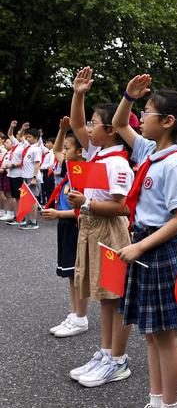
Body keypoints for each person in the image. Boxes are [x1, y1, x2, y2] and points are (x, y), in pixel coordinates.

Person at [113, 73, 177, 408]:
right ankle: (156, 399)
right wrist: (129, 97)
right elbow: (121, 123)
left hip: (158, 247)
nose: (141, 118)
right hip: (146, 243)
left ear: (167, 121)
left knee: (165, 335)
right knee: (151, 332)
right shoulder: (151, 150)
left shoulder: (174, 162)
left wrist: (139, 246)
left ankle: (171, 404)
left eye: (147, 112)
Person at [67, 67, 135, 388]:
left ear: (111, 129)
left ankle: (118, 360)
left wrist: (86, 203)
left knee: (115, 298)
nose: (89, 128)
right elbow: (77, 124)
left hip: (110, 231)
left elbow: (123, 206)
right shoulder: (99, 154)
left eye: (96, 123)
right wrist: (78, 93)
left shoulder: (118, 162)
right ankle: (106, 353)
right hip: (94, 227)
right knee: (105, 298)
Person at [42, 117, 90, 338]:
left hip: (76, 224)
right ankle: (74, 313)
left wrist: (58, 213)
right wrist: (62, 131)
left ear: (81, 152)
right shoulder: (70, 168)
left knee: (77, 273)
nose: (64, 150)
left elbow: (84, 209)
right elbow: (57, 151)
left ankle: (81, 317)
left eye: (70, 147)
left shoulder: (84, 173)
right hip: (65, 223)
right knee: (70, 273)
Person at [18, 127, 43, 230]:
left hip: (33, 177)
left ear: (36, 137)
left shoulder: (36, 149)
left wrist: (34, 177)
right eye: (27, 136)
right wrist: (23, 129)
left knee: (33, 200)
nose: (27, 138)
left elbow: (37, 164)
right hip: (26, 176)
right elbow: (20, 137)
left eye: (30, 137)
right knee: (28, 199)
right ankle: (30, 220)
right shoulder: (28, 147)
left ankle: (33, 222)